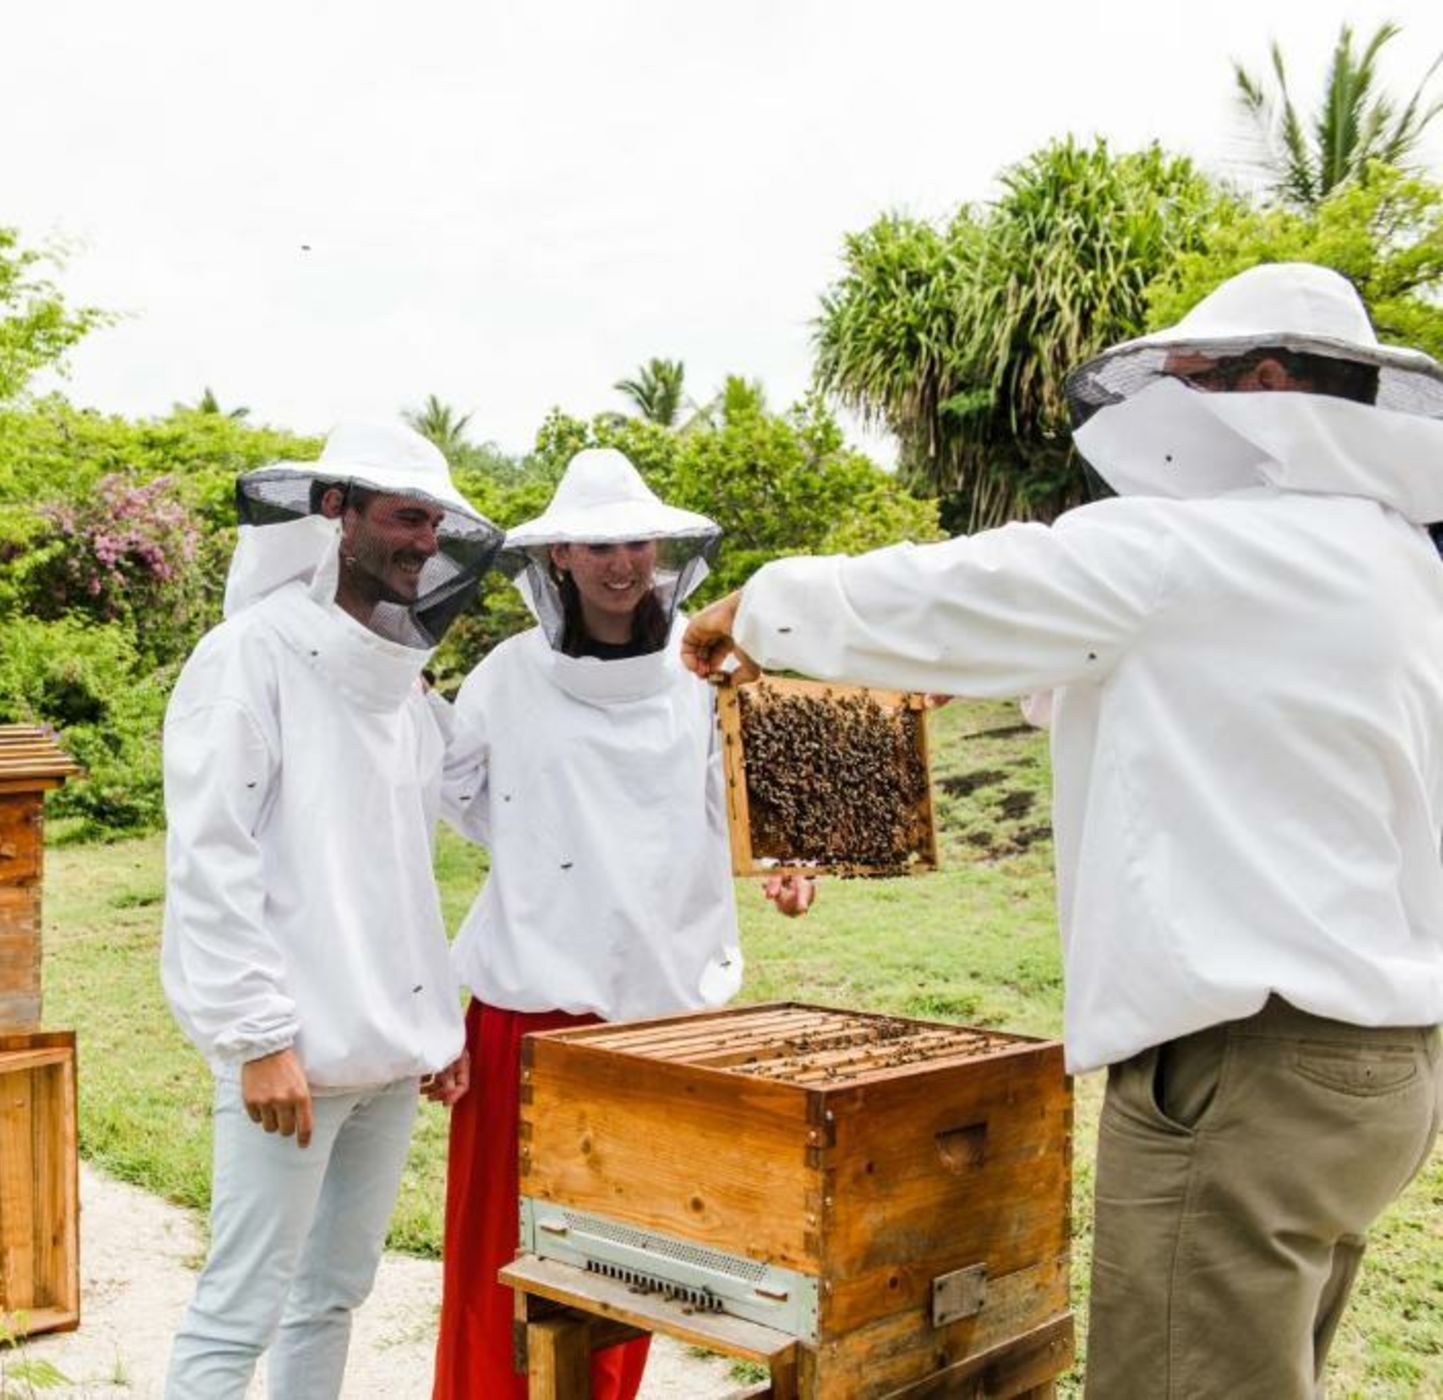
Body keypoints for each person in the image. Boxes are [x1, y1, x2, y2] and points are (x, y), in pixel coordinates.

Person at [680, 263, 1443, 1398]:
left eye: (1194, 380)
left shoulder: (1191, 551)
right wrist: (974, 678)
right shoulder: (1391, 563)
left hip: (1242, 1067)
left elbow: (989, 580)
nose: (1172, 413)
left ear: (1268, 383)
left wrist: (762, 605)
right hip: (1374, 1071)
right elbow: (1182, 689)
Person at [432, 448, 814, 1400]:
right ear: (557, 556)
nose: (619, 563)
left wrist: (783, 857)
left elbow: (741, 800)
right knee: (501, 1274)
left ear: (661, 549)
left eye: (634, 541)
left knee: (633, 1278)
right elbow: (464, 796)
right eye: (595, 545)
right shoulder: (506, 676)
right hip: (530, 1015)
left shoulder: (709, 667)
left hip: (665, 1017)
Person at [160, 422, 503, 1398]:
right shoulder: (246, 658)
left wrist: (428, 1023)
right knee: (239, 1308)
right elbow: (211, 854)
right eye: (403, 516)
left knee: (333, 1293)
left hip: (386, 1061)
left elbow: (403, 869)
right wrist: (259, 1034)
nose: (423, 542)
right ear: (334, 514)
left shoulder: (402, 687)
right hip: (290, 1057)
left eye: (433, 521)